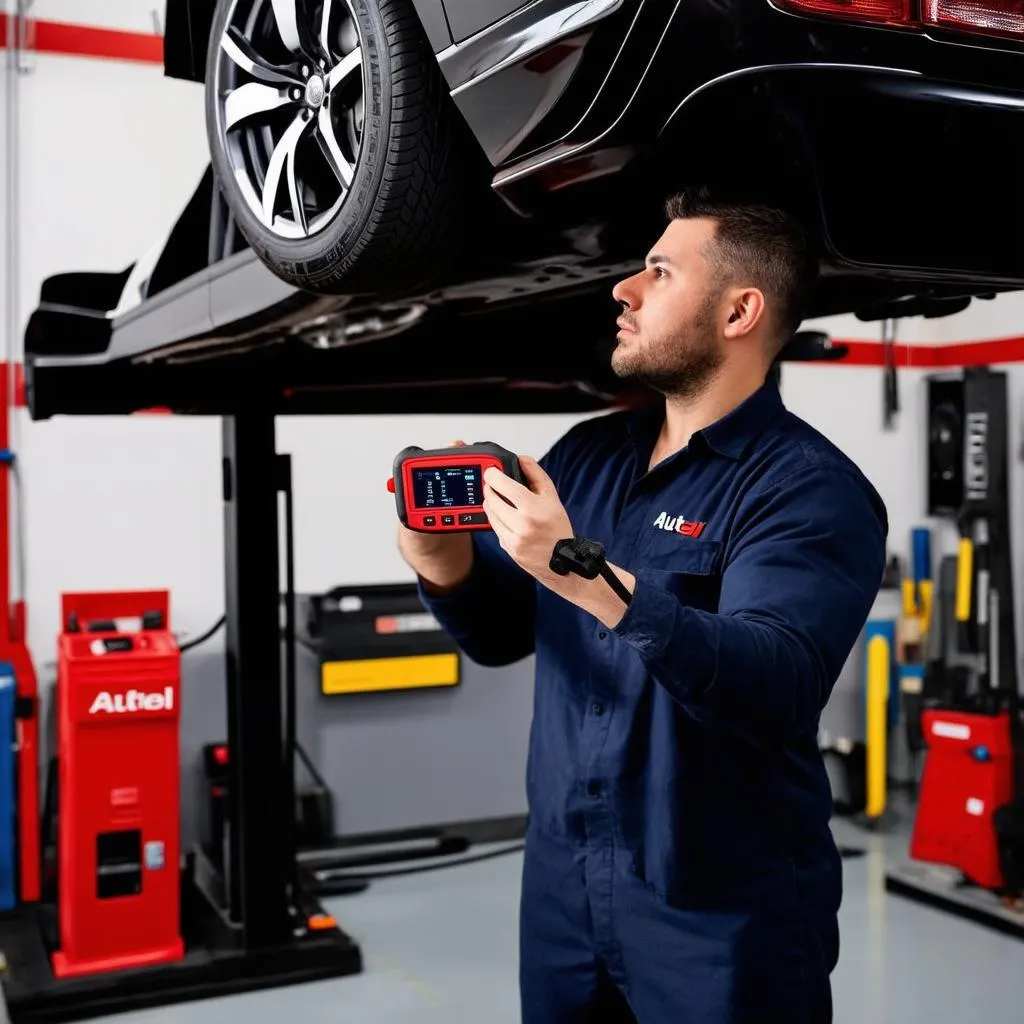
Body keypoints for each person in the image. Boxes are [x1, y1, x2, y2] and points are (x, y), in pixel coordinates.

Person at [397, 187, 888, 1024]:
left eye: (659, 272)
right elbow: (499, 633)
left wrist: (585, 572)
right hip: (563, 886)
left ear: (739, 311)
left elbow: (772, 682)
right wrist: (436, 554)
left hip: (722, 911)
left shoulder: (809, 491)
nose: (623, 290)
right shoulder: (586, 457)